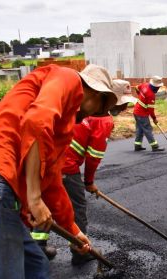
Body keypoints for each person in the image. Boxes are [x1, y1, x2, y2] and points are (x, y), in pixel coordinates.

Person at [0, 63, 116, 279]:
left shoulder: (65, 126)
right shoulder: (67, 79)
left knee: (35, 265)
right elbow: (35, 121)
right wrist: (33, 197)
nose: (92, 115)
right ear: (93, 92)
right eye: (97, 107)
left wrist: (74, 230)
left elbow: (53, 182)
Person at [32, 80, 137, 264]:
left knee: (45, 206)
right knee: (76, 208)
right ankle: (79, 250)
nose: (125, 107)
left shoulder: (82, 110)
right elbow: (94, 157)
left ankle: (37, 248)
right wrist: (89, 182)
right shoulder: (104, 120)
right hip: (66, 167)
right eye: (124, 103)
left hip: (49, 164)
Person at [133, 76, 165, 152]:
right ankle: (155, 146)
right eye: (158, 87)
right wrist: (154, 119)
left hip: (136, 112)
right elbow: (151, 110)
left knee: (140, 129)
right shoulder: (151, 95)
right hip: (142, 114)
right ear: (155, 86)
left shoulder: (145, 85)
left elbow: (137, 88)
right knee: (148, 129)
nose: (158, 88)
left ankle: (137, 145)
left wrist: (140, 96)